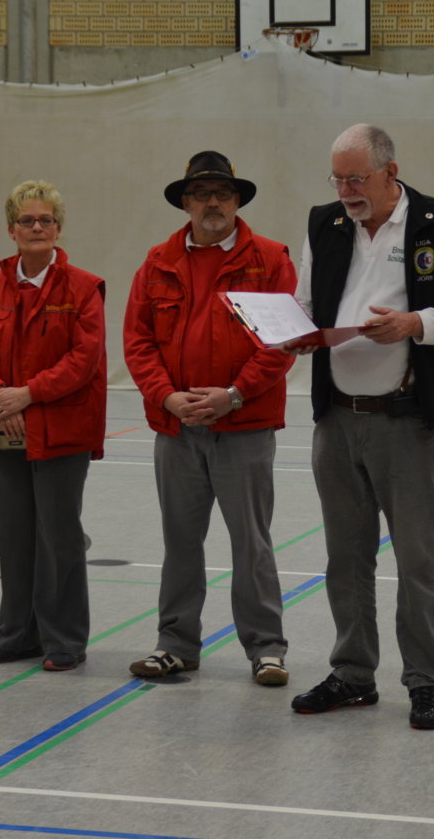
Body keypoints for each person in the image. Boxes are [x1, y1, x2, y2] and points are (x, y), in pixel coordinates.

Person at [288, 125, 434, 730]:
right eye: (338, 179)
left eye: (357, 179)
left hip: (407, 422)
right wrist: (293, 331)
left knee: (417, 561)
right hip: (337, 419)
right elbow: (305, 304)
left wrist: (413, 325)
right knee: (345, 558)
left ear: (390, 172)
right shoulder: (324, 223)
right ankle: (353, 674)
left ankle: (425, 682)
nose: (346, 190)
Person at [122, 151, 296, 686]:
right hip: (177, 430)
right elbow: (137, 341)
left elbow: (284, 340)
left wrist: (234, 395)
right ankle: (175, 645)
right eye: (201, 194)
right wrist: (167, 398)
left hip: (244, 427)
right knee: (180, 543)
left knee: (252, 544)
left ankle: (266, 649)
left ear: (238, 200)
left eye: (222, 193)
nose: (212, 203)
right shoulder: (157, 261)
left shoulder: (270, 259)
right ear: (186, 203)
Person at [0, 180, 107, 673]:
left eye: (46, 220)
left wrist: (28, 394)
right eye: (27, 220)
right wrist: (1, 398)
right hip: (5, 426)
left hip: (63, 429)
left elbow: (83, 359)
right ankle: (18, 634)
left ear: (58, 229)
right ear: (11, 230)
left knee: (59, 535)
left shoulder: (84, 288)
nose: (36, 227)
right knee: (16, 534)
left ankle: (64, 638)